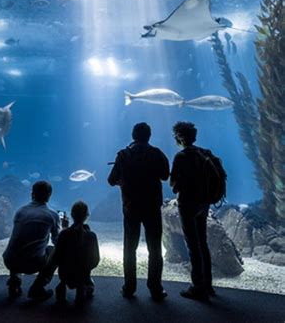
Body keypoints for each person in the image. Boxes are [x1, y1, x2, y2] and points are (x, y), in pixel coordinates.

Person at [108, 122, 169, 301]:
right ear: (149, 136)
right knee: (155, 248)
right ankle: (155, 287)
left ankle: (129, 287)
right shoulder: (156, 153)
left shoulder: (123, 154)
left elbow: (111, 180)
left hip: (131, 207)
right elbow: (166, 175)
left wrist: (123, 181)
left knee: (130, 248)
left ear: (133, 135)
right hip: (152, 207)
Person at [170, 121, 216, 300]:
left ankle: (197, 287)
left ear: (180, 137)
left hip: (187, 204)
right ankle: (208, 285)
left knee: (193, 246)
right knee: (202, 243)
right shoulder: (204, 153)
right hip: (204, 204)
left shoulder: (181, 157)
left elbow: (174, 185)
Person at [3, 181, 67, 300]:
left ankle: (15, 280)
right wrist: (64, 229)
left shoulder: (20, 211)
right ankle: (38, 288)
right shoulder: (52, 215)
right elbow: (58, 242)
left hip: (9, 260)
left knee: (18, 244)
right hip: (32, 264)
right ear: (49, 195)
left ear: (32, 194)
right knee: (56, 251)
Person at [53, 201, 100, 305]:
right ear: (87, 215)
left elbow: (57, 255)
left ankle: (62, 286)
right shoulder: (91, 236)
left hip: (64, 273)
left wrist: (64, 229)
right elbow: (95, 260)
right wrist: (87, 267)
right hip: (83, 273)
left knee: (65, 277)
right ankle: (82, 288)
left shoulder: (64, 234)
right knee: (88, 285)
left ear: (71, 214)